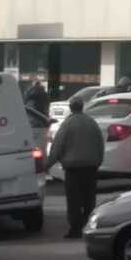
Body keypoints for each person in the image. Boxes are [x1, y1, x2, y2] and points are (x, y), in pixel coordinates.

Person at [46, 97, 105, 239]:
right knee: (89, 199)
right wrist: (98, 161)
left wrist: (47, 165)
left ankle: (75, 229)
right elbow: (100, 143)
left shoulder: (67, 124)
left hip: (73, 169)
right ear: (82, 106)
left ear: (71, 108)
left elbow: (57, 146)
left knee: (74, 201)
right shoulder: (91, 123)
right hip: (91, 167)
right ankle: (89, 226)